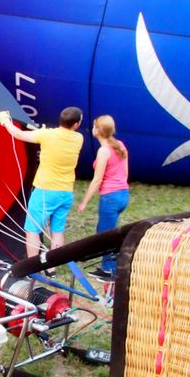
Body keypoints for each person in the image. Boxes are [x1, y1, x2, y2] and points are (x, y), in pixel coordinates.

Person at [0, 107, 84, 268]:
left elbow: (18, 134)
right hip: (65, 192)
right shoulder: (78, 138)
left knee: (33, 230)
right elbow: (58, 136)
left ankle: (33, 265)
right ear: (76, 124)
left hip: (45, 191)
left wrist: (5, 121)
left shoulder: (47, 135)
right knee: (57, 232)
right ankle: (54, 265)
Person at [77, 114, 129, 279]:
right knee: (106, 231)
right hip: (123, 195)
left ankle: (110, 270)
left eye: (94, 126)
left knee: (106, 235)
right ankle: (109, 266)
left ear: (98, 131)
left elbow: (97, 180)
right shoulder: (120, 145)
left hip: (110, 198)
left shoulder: (103, 151)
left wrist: (84, 202)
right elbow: (125, 173)